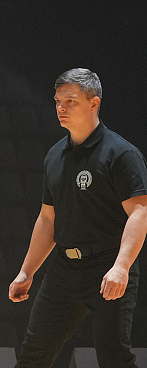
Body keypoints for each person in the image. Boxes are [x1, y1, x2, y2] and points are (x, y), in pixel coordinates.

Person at [8, 68, 147, 367]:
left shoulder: (121, 153)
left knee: (114, 358)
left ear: (94, 103)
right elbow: (48, 219)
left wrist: (121, 267)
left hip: (108, 264)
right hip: (64, 268)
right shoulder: (54, 155)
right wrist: (27, 272)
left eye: (71, 101)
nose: (61, 107)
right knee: (33, 354)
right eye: (58, 101)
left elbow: (139, 212)